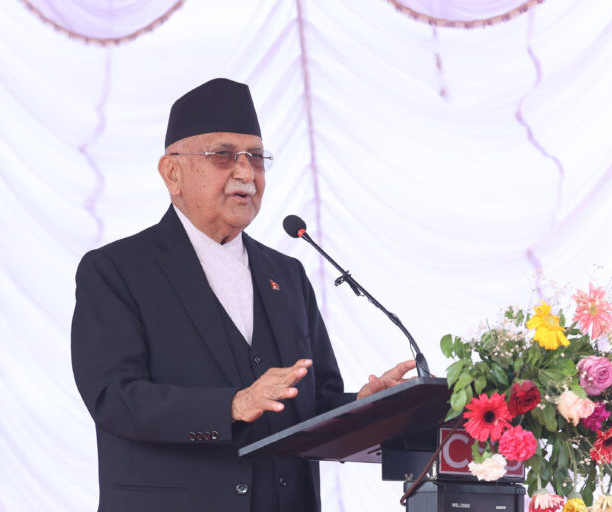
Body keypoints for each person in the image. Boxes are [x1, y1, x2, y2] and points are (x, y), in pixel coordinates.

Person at [71, 78, 417, 512]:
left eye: (256, 157)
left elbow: (314, 402)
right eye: (224, 155)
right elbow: (115, 400)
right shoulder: (117, 271)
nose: (246, 173)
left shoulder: (286, 274)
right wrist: (233, 406)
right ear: (172, 173)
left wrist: (364, 407)